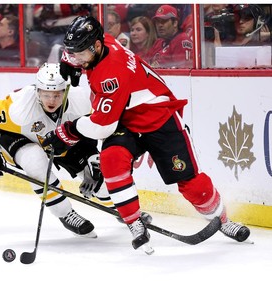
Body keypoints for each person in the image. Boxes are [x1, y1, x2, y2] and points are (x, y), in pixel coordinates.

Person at [41, 15, 251, 254]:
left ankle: (223, 221)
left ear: (96, 47)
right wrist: (71, 61)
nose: (77, 57)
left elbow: (102, 127)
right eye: (74, 52)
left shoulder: (112, 75)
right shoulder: (105, 41)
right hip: (127, 121)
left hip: (159, 119)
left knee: (192, 184)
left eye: (80, 54)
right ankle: (134, 223)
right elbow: (83, 57)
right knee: (112, 160)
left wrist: (67, 132)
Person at [0, 62, 117, 238]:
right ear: (37, 92)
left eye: (57, 95)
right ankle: (65, 214)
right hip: (21, 139)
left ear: (65, 92)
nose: (51, 100)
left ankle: (122, 209)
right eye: (46, 94)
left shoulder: (79, 103)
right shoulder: (19, 108)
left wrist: (92, 158)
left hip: (61, 140)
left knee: (99, 181)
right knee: (35, 162)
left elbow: (87, 132)